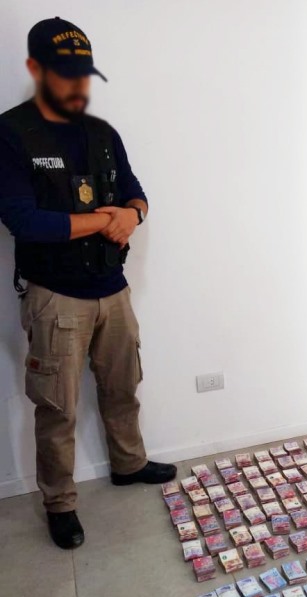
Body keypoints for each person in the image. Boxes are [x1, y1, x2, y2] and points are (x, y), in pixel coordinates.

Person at [0, 17, 176, 549]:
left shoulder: (102, 133)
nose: (77, 84)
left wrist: (133, 215)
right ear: (36, 69)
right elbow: (25, 222)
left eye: (83, 73)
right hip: (56, 295)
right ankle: (60, 503)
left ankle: (129, 464)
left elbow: (136, 192)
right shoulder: (12, 134)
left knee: (123, 388)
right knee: (58, 409)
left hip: (112, 288)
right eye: (64, 73)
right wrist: (105, 219)